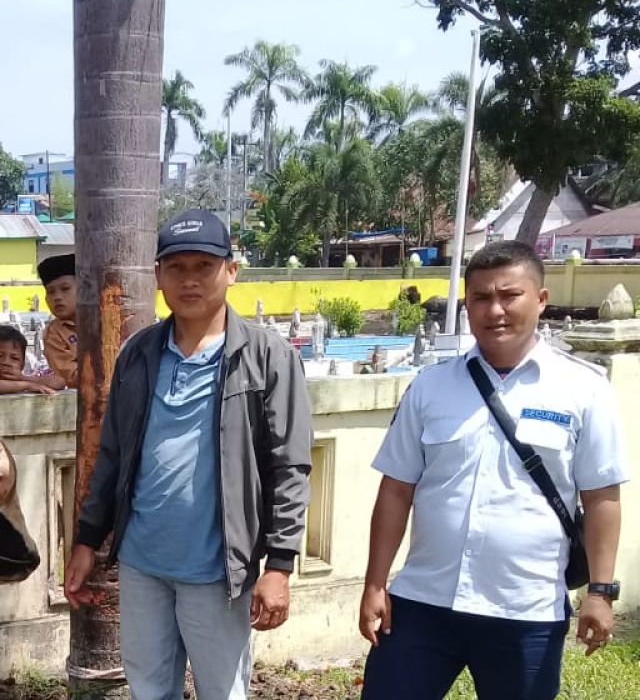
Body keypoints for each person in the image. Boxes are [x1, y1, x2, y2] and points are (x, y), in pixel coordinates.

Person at [360, 240, 628, 700]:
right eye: (481, 298)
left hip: (525, 610)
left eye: (510, 295)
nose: (495, 310)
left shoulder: (583, 390)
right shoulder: (431, 387)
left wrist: (600, 593)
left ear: (540, 300)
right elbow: (396, 489)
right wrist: (374, 584)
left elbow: (601, 497)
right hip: (424, 604)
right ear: (468, 306)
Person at [64, 209, 314, 700]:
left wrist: (280, 565)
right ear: (158, 276)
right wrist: (86, 540)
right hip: (143, 565)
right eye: (176, 268)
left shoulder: (268, 358)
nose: (190, 280)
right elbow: (111, 455)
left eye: (204, 266)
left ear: (231, 271)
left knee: (224, 693)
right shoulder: (138, 353)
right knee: (149, 691)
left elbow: (289, 467)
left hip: (217, 572)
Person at [0, 324, 61, 396]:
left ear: (23, 363)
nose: (6, 362)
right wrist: (27, 386)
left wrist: (23, 378)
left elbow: (59, 382)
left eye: (14, 358)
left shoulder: (27, 379)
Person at [38, 253, 78, 388]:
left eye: (65, 289)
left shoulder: (104, 318)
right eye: (51, 292)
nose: (57, 297)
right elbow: (72, 377)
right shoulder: (54, 334)